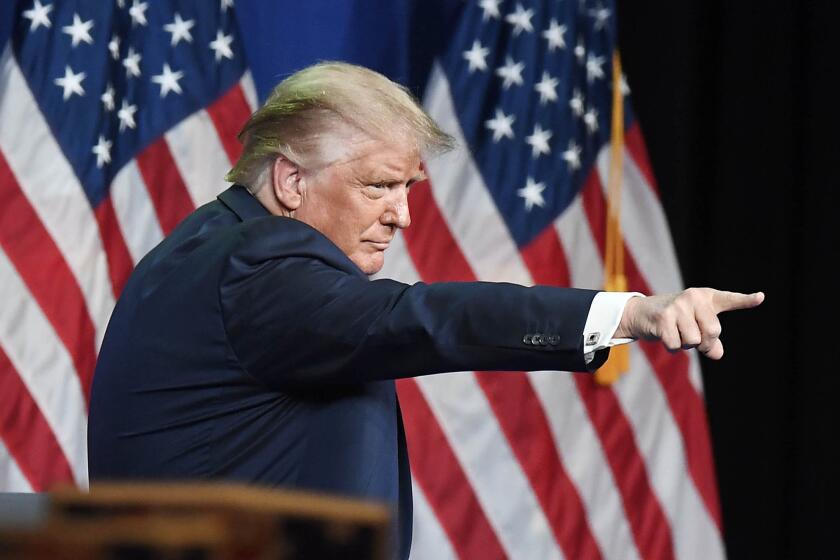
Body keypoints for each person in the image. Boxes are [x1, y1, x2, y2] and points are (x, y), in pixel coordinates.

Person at [87, 62, 763, 559]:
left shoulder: (204, 250)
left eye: (407, 187)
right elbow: (419, 319)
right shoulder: (257, 265)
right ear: (291, 180)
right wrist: (633, 314)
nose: (403, 216)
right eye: (379, 186)